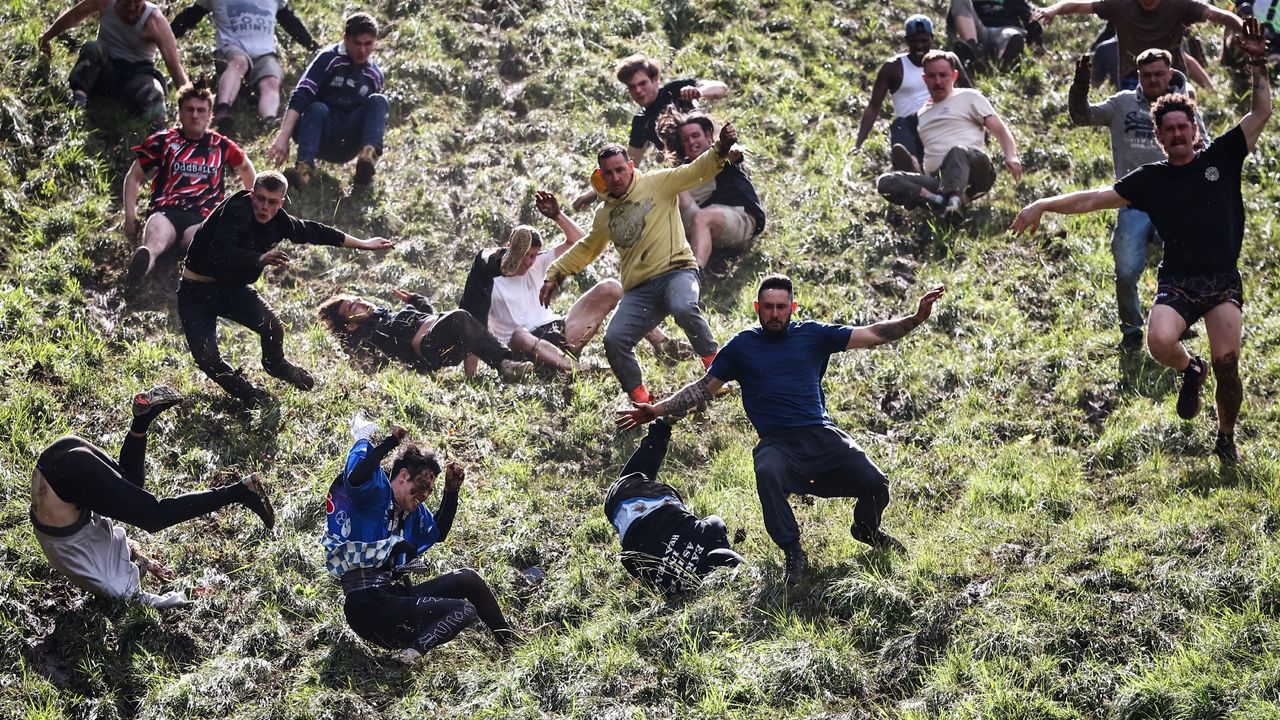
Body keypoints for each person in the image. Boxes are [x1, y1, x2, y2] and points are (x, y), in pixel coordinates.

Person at [1010, 19, 1271, 465]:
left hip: (1222, 279)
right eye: (1167, 130)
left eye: (1181, 127)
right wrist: (1043, 203)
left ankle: (1226, 437)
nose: (1176, 135)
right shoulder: (1152, 180)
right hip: (1180, 279)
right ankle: (1191, 369)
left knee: (1229, 367)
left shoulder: (1222, 156)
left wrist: (1257, 62)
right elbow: (1094, 198)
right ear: (1159, 136)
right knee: (1159, 342)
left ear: (1194, 128)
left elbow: (1260, 112)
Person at [618, 275, 946, 584]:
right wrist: (657, 411)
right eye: (769, 307)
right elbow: (704, 388)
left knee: (875, 483)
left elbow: (873, 334)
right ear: (757, 308)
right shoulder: (742, 346)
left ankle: (866, 529)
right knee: (767, 468)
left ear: (792, 307)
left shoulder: (814, 335)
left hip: (820, 434)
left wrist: (917, 318)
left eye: (781, 307)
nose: (775, 314)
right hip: (778, 443)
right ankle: (793, 552)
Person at [539, 123, 745, 405]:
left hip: (677, 272)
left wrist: (720, 148)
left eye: (620, 170)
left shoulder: (657, 183)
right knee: (615, 340)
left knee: (684, 306)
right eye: (608, 173)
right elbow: (588, 248)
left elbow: (697, 171)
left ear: (631, 166)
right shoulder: (605, 214)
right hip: (640, 290)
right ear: (600, 175)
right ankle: (642, 402)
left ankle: (716, 373)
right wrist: (555, 273)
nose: (615, 177)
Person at [30, 386, 275, 608]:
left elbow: (141, 599)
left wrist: (183, 596)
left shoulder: (110, 583)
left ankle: (241, 492)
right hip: (57, 457)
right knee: (132, 485)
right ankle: (141, 421)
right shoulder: (84, 559)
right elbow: (118, 542)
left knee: (154, 516)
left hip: (68, 475)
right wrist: (143, 561)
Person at [178, 171, 395, 404]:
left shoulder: (279, 221)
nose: (264, 207)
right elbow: (220, 252)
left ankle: (276, 365)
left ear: (281, 202)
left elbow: (314, 231)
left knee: (272, 327)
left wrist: (363, 244)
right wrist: (259, 258)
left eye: (272, 202)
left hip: (231, 290)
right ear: (252, 195)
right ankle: (249, 395)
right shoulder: (236, 210)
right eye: (259, 198)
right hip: (196, 293)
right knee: (207, 357)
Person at [324, 418, 515, 661]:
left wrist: (451, 493)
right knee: (464, 610)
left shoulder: (409, 512)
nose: (424, 495)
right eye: (421, 486)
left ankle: (510, 643)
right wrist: (389, 442)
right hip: (367, 606)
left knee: (467, 579)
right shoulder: (373, 493)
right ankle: (412, 654)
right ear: (403, 475)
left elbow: (437, 533)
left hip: (393, 597)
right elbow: (356, 475)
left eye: (429, 491)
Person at [1068, 47, 1203, 351]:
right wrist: (1080, 85)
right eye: (1147, 75)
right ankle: (1131, 331)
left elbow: (1202, 145)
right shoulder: (1123, 103)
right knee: (1126, 271)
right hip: (1134, 202)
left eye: (1159, 74)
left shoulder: (1183, 107)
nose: (1153, 80)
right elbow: (1082, 116)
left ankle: (1177, 323)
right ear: (1137, 75)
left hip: (1176, 201)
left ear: (1170, 74)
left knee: (1184, 263)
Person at [458, 192, 676, 373]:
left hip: (559, 333)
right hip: (522, 349)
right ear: (510, 248)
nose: (528, 262)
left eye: (532, 255)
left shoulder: (539, 263)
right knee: (519, 336)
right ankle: (580, 371)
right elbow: (473, 328)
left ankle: (662, 344)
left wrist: (557, 215)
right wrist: (471, 377)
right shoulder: (488, 281)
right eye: (523, 255)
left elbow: (581, 243)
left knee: (611, 287)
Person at [122, 81, 255, 286]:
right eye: (189, 110)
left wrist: (251, 209)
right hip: (166, 211)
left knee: (201, 241)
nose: (195, 115)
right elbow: (134, 176)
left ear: (210, 115)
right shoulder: (163, 141)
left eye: (201, 110)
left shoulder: (221, 146)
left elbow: (246, 168)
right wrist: (129, 217)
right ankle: (139, 271)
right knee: (155, 241)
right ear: (180, 114)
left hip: (202, 215)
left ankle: (197, 274)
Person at [604, 417, 744, 596]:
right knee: (628, 486)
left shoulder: (710, 532)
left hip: (640, 498)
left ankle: (662, 427)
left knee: (630, 482)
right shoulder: (676, 590)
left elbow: (716, 522)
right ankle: (662, 427)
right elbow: (630, 563)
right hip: (623, 524)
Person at [571, 53, 728, 210]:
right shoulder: (642, 122)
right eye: (632, 87)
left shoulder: (673, 91)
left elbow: (721, 88)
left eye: (642, 83)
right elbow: (628, 166)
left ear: (655, 80)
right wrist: (593, 194)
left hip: (716, 158)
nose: (638, 90)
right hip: (689, 175)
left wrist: (698, 92)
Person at [876, 50, 1022, 215]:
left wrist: (1011, 155)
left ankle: (954, 202)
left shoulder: (970, 97)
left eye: (943, 75)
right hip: (940, 180)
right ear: (924, 79)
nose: (938, 81)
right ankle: (938, 201)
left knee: (957, 151)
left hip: (975, 170)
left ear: (954, 76)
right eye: (932, 76)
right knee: (886, 182)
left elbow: (1000, 129)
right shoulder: (923, 113)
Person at [266, 12, 386, 187]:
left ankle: (367, 162)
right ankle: (303, 170)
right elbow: (301, 95)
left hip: (345, 142)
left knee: (379, 100)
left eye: (368, 44)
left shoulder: (374, 75)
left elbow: (373, 118)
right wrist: (283, 137)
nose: (362, 50)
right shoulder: (328, 58)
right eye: (357, 43)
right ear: (346, 39)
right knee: (317, 108)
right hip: (316, 129)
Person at [317, 290, 535, 382]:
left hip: (443, 334)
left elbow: (428, 316)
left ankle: (507, 362)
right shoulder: (371, 335)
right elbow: (364, 363)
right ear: (351, 326)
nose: (360, 303)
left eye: (357, 299)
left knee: (471, 310)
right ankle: (505, 365)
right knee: (460, 316)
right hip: (432, 348)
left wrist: (416, 300)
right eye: (352, 308)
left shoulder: (389, 315)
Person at [169, 0, 320, 132]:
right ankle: (223, 108)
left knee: (271, 81)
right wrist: (166, 35)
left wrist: (312, 47)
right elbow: (190, 16)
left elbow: (289, 21)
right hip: (230, 48)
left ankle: (269, 120)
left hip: (264, 53)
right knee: (239, 62)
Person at [38, 0, 189, 128]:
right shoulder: (105, 2)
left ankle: (159, 134)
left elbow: (175, 68)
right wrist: (46, 37)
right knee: (92, 48)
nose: (131, 10)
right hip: (105, 69)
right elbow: (74, 16)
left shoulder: (155, 21)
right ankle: (79, 100)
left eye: (136, 5)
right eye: (125, 5)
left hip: (137, 74)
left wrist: (190, 104)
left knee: (154, 89)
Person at [1031, 0, 1243, 90]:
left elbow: (1218, 15)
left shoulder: (1180, 5)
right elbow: (1081, 5)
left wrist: (1244, 31)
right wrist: (1054, 9)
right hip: (1133, 78)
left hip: (1172, 78)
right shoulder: (1122, 4)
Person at [855, 14, 973, 170]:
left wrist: (980, 126)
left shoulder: (946, 61)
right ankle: (911, 164)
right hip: (911, 127)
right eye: (914, 41)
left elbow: (969, 93)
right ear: (906, 40)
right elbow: (874, 107)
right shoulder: (893, 68)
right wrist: (858, 143)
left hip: (942, 119)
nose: (919, 46)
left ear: (932, 38)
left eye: (924, 41)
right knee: (899, 125)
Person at [656, 110, 766, 269]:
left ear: (708, 135)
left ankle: (695, 271)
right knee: (672, 191)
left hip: (741, 221)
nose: (691, 142)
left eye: (695, 136)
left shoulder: (719, 155)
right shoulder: (683, 170)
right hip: (700, 222)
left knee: (703, 217)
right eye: (685, 140)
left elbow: (731, 152)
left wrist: (729, 147)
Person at [949, 0, 1044, 73]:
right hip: (980, 31)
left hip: (1005, 30)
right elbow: (955, 15)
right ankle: (973, 52)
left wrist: (1036, 41)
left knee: (1012, 36)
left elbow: (1029, 17)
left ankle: (1004, 61)